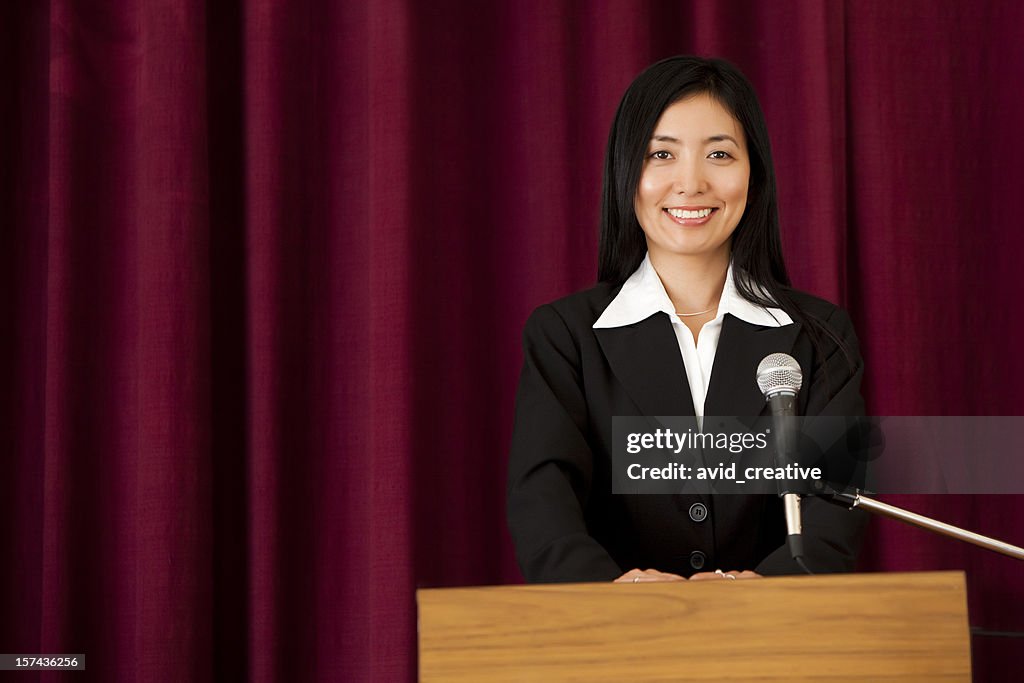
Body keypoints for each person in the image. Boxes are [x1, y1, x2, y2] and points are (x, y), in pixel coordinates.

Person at [506, 56, 868, 584]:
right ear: (627, 171)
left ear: (755, 172)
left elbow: (833, 514)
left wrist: (767, 593)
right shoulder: (565, 337)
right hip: (614, 647)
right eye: (661, 154)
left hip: (775, 646)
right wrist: (613, 592)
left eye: (719, 153)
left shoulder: (821, 337)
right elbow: (544, 504)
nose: (691, 183)